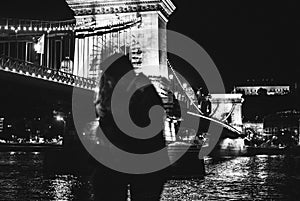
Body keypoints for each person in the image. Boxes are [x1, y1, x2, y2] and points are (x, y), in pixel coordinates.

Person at [93, 53, 169, 201]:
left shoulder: (144, 92)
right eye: (105, 77)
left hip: (144, 164)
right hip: (117, 165)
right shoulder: (112, 95)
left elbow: (148, 130)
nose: (107, 81)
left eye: (109, 76)